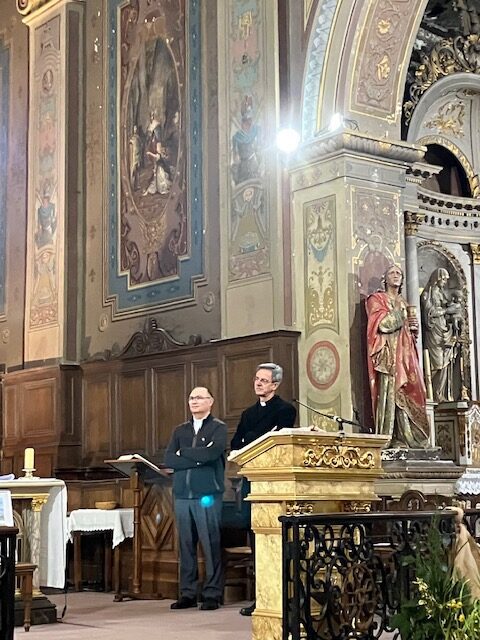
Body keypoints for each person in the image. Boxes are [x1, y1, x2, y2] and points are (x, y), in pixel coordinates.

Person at [231, 363, 296, 616]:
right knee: (257, 540)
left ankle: (282, 596)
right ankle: (261, 599)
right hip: (253, 480)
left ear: (275, 385)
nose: (258, 383)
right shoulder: (248, 413)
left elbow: (274, 441)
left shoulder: (285, 410)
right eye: (256, 379)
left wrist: (251, 438)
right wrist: (255, 437)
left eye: (264, 380)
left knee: (276, 541)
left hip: (275, 482)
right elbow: (236, 443)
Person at [164, 387, 227, 611]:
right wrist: (197, 457)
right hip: (183, 495)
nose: (194, 401)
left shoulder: (218, 427)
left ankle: (212, 593)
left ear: (210, 401)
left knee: (210, 545)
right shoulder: (180, 430)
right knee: (186, 546)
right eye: (191, 398)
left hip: (207, 495)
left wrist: (185, 453)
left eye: (199, 397)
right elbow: (169, 459)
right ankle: (188, 593)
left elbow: (212, 454)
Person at [366, 264, 429, 448]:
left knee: (412, 392)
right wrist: (401, 317)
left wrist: (413, 328)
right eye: (392, 273)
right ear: (384, 279)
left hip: (406, 357)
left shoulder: (404, 303)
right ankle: (391, 437)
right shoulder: (376, 299)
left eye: (399, 273)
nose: (396, 275)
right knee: (391, 394)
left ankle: (410, 438)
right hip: (389, 357)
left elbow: (408, 332)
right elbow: (382, 325)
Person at [421, 268, 458, 402]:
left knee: (445, 361)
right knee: (436, 362)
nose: (445, 282)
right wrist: (447, 310)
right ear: (436, 278)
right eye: (443, 279)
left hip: (444, 329)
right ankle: (427, 390)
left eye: (446, 279)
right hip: (433, 331)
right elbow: (429, 313)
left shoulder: (442, 294)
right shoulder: (427, 294)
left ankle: (439, 393)